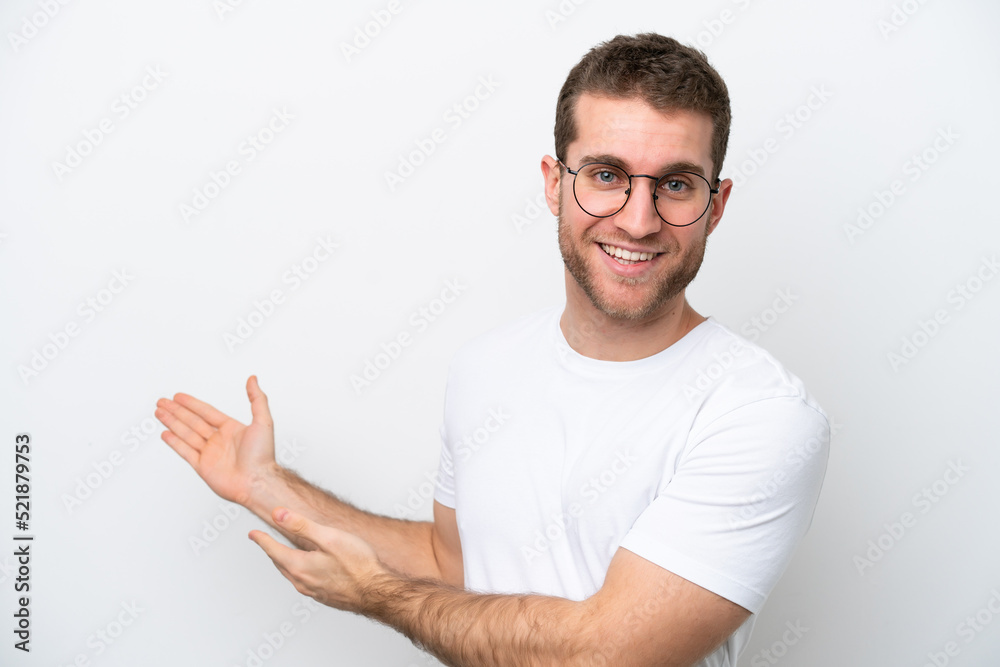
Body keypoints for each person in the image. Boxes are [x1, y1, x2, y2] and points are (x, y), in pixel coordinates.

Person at [155, 33, 829, 666]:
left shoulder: (759, 414)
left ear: (717, 204)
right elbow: (452, 565)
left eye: (676, 184)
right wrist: (268, 486)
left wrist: (376, 595)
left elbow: (602, 653)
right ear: (554, 183)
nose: (637, 219)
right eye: (606, 174)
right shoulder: (486, 367)